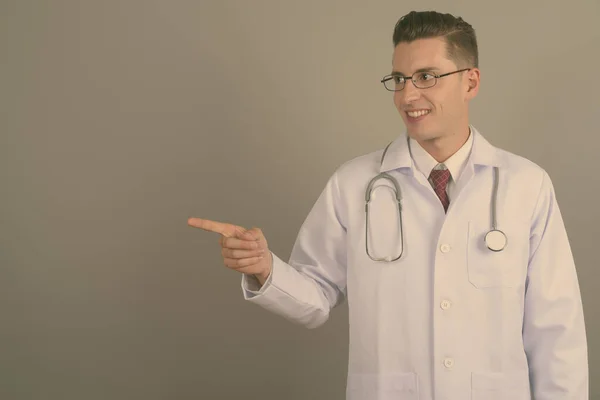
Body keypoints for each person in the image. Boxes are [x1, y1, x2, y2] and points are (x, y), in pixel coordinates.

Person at [188, 10, 588, 400]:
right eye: (399, 79)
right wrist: (266, 269)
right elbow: (316, 297)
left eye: (426, 77)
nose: (408, 95)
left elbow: (556, 330)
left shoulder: (525, 185)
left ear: (470, 82)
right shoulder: (354, 183)